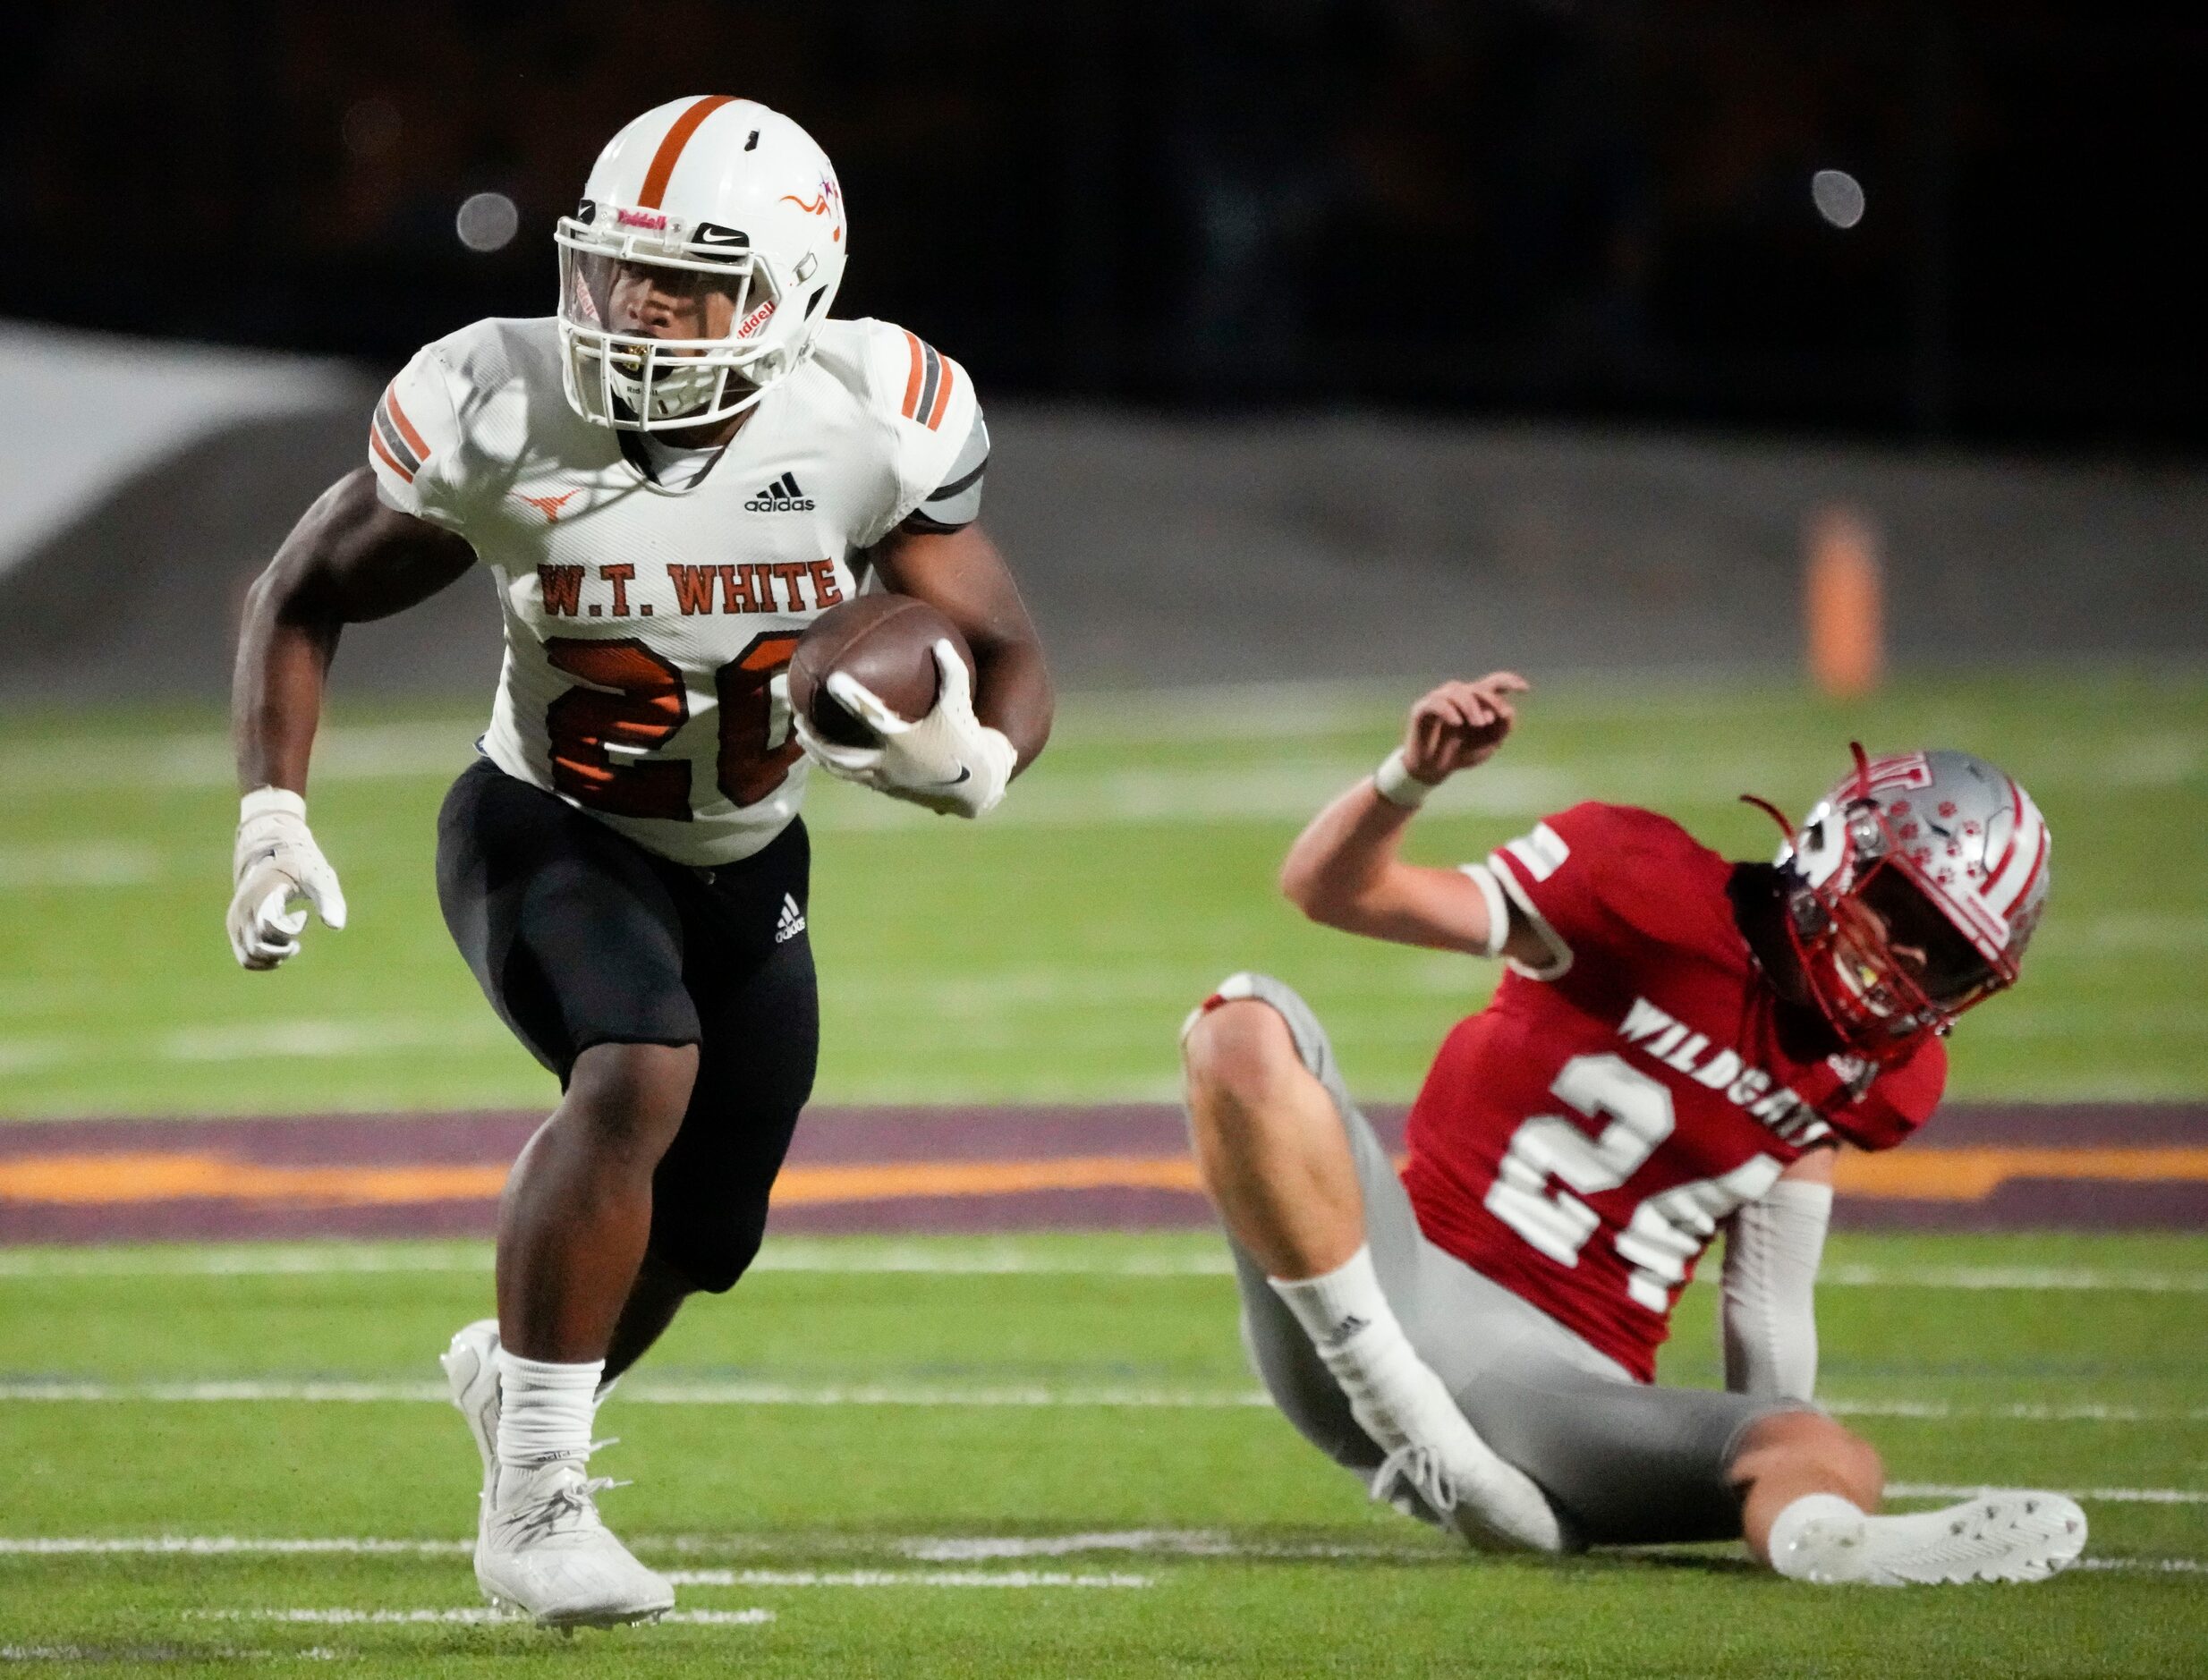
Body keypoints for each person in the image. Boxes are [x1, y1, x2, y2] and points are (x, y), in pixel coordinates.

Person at [227, 98, 1052, 1626]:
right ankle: (535, 1508)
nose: (642, 311)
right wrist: (271, 811)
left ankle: (520, 1381)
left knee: (711, 1229)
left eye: (693, 283)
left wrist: (980, 757)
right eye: (621, 272)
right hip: (545, 819)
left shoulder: (873, 412)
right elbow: (299, 587)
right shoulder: (499, 406)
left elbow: (1000, 644)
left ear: (799, 291)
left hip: (741, 849)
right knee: (639, 1065)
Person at [1177, 672, 2085, 1583]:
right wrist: (1406, 779)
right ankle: (1408, 1414)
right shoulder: (1635, 881)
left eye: (1950, 957)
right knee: (1243, 1027)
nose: (1909, 959)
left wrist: (1768, 1448)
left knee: (1830, 1456)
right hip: (1384, 1300)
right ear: (1833, 849)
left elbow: (1767, 1299)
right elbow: (1332, 892)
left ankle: (1829, 1553)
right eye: (1903, 909)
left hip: (1567, 1402)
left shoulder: (1879, 1072)